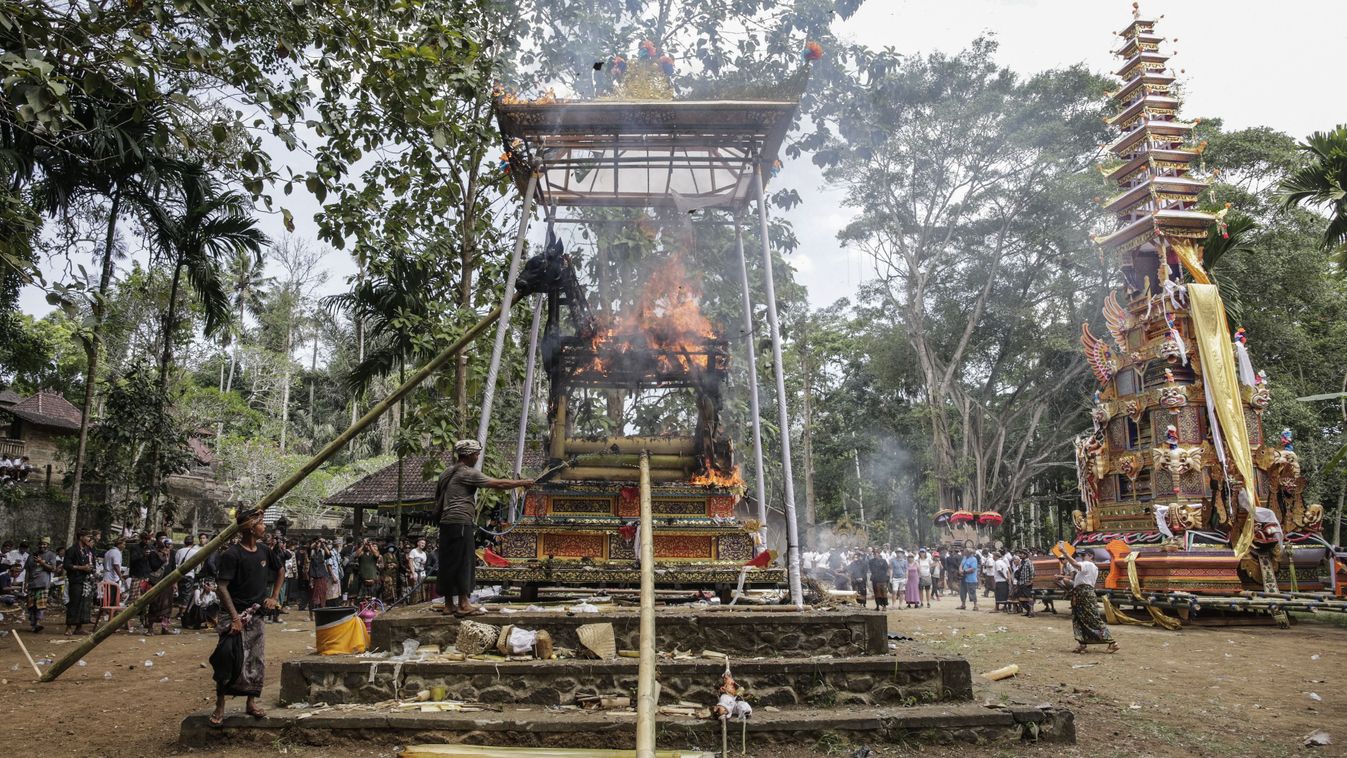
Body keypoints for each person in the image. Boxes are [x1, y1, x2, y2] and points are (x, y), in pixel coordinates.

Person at [432, 439, 533, 617]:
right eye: (477, 454)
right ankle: (464, 604)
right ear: (469, 455)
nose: (478, 457)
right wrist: (522, 482)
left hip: (446, 523)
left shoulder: (446, 473)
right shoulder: (467, 473)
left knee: (448, 563)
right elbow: (498, 484)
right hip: (461, 523)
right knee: (464, 562)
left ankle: (449, 605)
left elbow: (438, 498)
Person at [209, 508, 285, 725]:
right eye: (261, 524)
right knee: (228, 659)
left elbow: (280, 570)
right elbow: (222, 587)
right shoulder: (231, 554)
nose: (265, 528)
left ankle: (251, 702)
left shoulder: (264, 551)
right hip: (234, 614)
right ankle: (220, 705)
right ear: (251, 528)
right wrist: (234, 618)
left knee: (256, 659)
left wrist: (274, 596)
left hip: (256, 614)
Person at [1059, 546, 1117, 653]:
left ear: (1091, 556)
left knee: (1091, 617)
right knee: (1080, 618)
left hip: (1084, 593)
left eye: (1083, 555)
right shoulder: (1092, 566)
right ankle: (1082, 643)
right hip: (1083, 592)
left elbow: (1075, 564)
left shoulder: (1088, 564)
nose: (1082, 557)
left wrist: (1065, 553)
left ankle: (1112, 642)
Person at [64, 530, 97, 635]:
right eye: (88, 537)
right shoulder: (72, 550)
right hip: (76, 580)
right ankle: (69, 627)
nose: (89, 539)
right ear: (81, 537)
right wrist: (82, 568)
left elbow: (93, 563)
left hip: (86, 581)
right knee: (74, 603)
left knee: (84, 604)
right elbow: (67, 565)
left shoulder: (89, 550)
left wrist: (91, 569)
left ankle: (79, 627)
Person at [24, 538, 59, 633]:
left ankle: (38, 622)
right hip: (31, 583)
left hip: (43, 583)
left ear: (48, 545)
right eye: (40, 544)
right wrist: (25, 583)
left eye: (44, 544)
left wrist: (42, 562)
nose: (42, 546)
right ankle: (33, 624)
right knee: (31, 605)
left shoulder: (51, 555)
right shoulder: (31, 555)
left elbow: (53, 568)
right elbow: (28, 570)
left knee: (41, 604)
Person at [307, 539, 332, 616]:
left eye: (319, 543)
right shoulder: (312, 551)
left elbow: (329, 554)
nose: (318, 544)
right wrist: (316, 542)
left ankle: (321, 613)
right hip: (313, 576)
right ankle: (311, 615)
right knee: (312, 596)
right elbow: (309, 548)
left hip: (322, 575)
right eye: (317, 543)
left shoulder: (323, 551)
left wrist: (323, 544)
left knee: (322, 595)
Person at [1013, 548, 1036, 617]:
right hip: (1021, 583)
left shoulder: (1029, 562)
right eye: (1020, 553)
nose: (1020, 555)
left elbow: (1032, 572)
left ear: (1025, 555)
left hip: (1026, 583)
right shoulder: (1022, 562)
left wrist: (1031, 582)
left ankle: (1031, 611)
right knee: (1020, 598)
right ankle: (1028, 611)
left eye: (1022, 554)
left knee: (1028, 597)